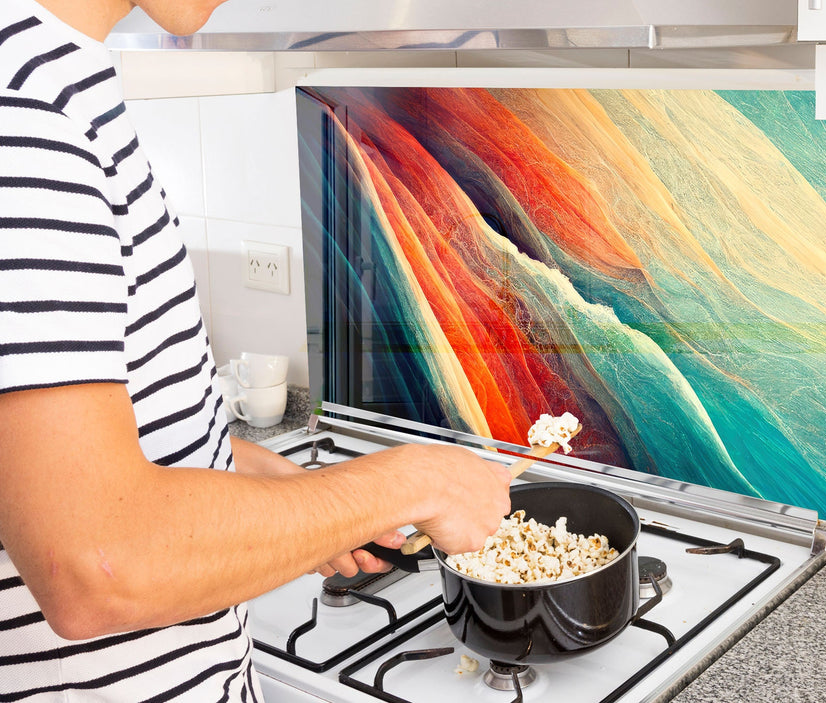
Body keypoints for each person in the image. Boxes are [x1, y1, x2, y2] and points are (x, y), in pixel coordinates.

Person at [0, 0, 513, 699]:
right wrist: (416, 480)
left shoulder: (56, 80)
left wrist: (294, 497)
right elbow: (97, 563)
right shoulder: (24, 117)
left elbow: (80, 452)